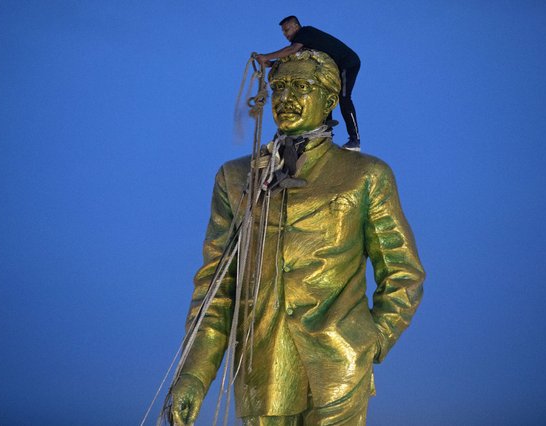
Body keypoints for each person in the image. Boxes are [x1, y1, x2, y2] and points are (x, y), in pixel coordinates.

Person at [170, 50, 424, 425]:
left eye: (302, 86)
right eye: (280, 87)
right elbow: (216, 288)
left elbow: (403, 272)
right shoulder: (236, 177)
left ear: (329, 99)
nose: (287, 98)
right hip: (262, 371)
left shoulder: (365, 174)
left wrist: (370, 340)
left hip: (340, 372)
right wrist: (193, 375)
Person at [255, 16, 362, 151]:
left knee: (344, 98)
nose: (286, 35)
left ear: (295, 26)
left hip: (348, 63)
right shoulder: (303, 43)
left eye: (287, 30)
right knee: (324, 97)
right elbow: (294, 58)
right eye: (283, 32)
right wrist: (270, 64)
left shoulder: (305, 33)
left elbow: (291, 51)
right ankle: (327, 134)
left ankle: (355, 139)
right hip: (337, 65)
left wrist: (266, 56)